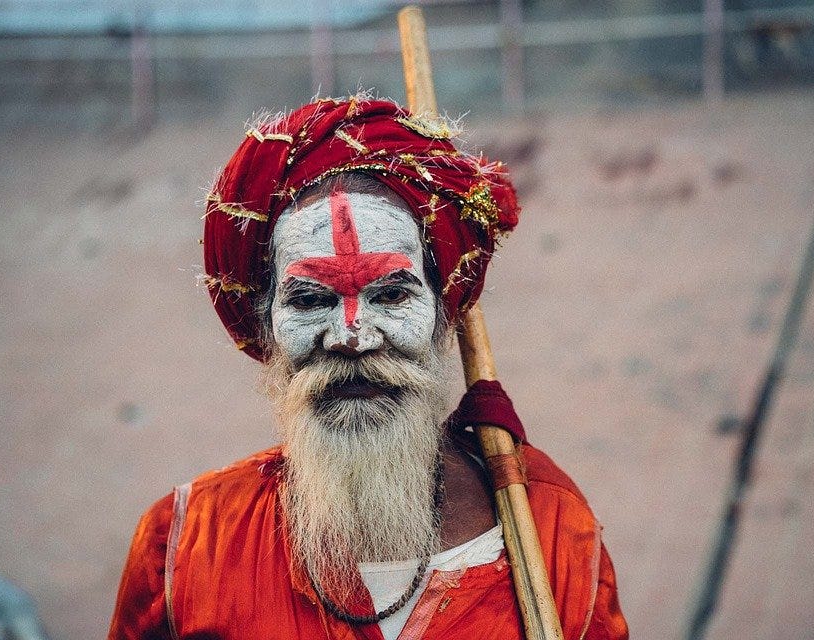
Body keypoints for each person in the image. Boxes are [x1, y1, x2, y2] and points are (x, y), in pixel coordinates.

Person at [108, 96, 628, 640]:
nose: (352, 336)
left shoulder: (551, 529)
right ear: (265, 327)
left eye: (392, 295)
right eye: (310, 301)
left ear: (443, 314)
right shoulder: (187, 546)